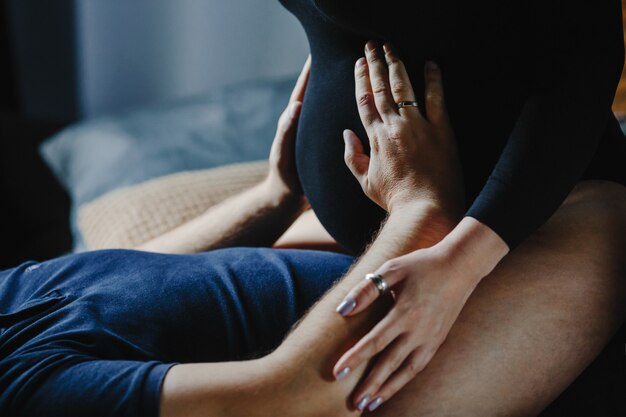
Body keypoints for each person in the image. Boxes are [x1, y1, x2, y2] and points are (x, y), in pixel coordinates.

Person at [2, 43, 626, 417]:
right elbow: (285, 403)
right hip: (371, 374)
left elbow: (106, 273)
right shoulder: (29, 396)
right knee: (605, 213)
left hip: (366, 281)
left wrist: (271, 196)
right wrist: (417, 207)